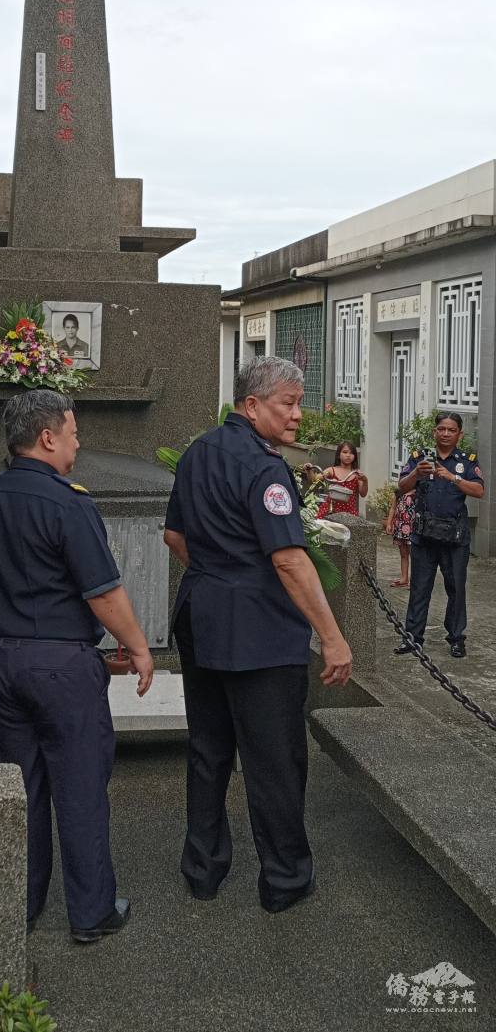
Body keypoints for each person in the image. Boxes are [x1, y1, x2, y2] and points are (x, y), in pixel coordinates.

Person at [0, 389, 153, 942]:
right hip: (61, 666)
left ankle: (23, 901)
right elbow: (103, 591)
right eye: (72, 432)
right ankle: (91, 913)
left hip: (0, 660)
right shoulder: (70, 503)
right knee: (81, 787)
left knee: (20, 786)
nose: (77, 442)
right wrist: (138, 646)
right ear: (47, 437)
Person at [163, 356, 352, 913]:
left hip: (201, 619)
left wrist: (221, 574)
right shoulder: (266, 469)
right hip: (259, 637)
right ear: (251, 406)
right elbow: (291, 561)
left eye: (298, 402)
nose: (297, 415)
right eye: (287, 404)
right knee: (272, 760)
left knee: (207, 749)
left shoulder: (198, 452)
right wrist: (334, 638)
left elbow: (174, 536)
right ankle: (285, 880)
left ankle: (203, 869)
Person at [393, 412, 485, 659]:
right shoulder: (420, 457)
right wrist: (416, 475)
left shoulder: (466, 461)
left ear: (459, 434)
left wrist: (452, 477)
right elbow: (401, 488)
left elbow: (479, 490)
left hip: (455, 538)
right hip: (424, 536)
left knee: (456, 588)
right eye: (441, 429)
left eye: (451, 430)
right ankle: (413, 639)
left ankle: (456, 638)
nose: (445, 433)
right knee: (420, 589)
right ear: (434, 432)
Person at [316, 442, 368, 519]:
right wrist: (309, 470)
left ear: (355, 456)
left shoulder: (356, 474)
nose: (348, 455)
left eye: (351, 453)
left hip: (349, 514)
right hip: (330, 511)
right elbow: (314, 480)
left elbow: (363, 494)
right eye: (345, 452)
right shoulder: (331, 470)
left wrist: (365, 480)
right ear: (338, 455)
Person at [385, 487, 415, 587]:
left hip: (412, 529)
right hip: (399, 528)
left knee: (414, 555)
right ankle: (404, 578)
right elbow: (393, 508)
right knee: (403, 554)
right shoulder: (399, 493)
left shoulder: (418, 492)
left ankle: (414, 581)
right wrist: (389, 523)